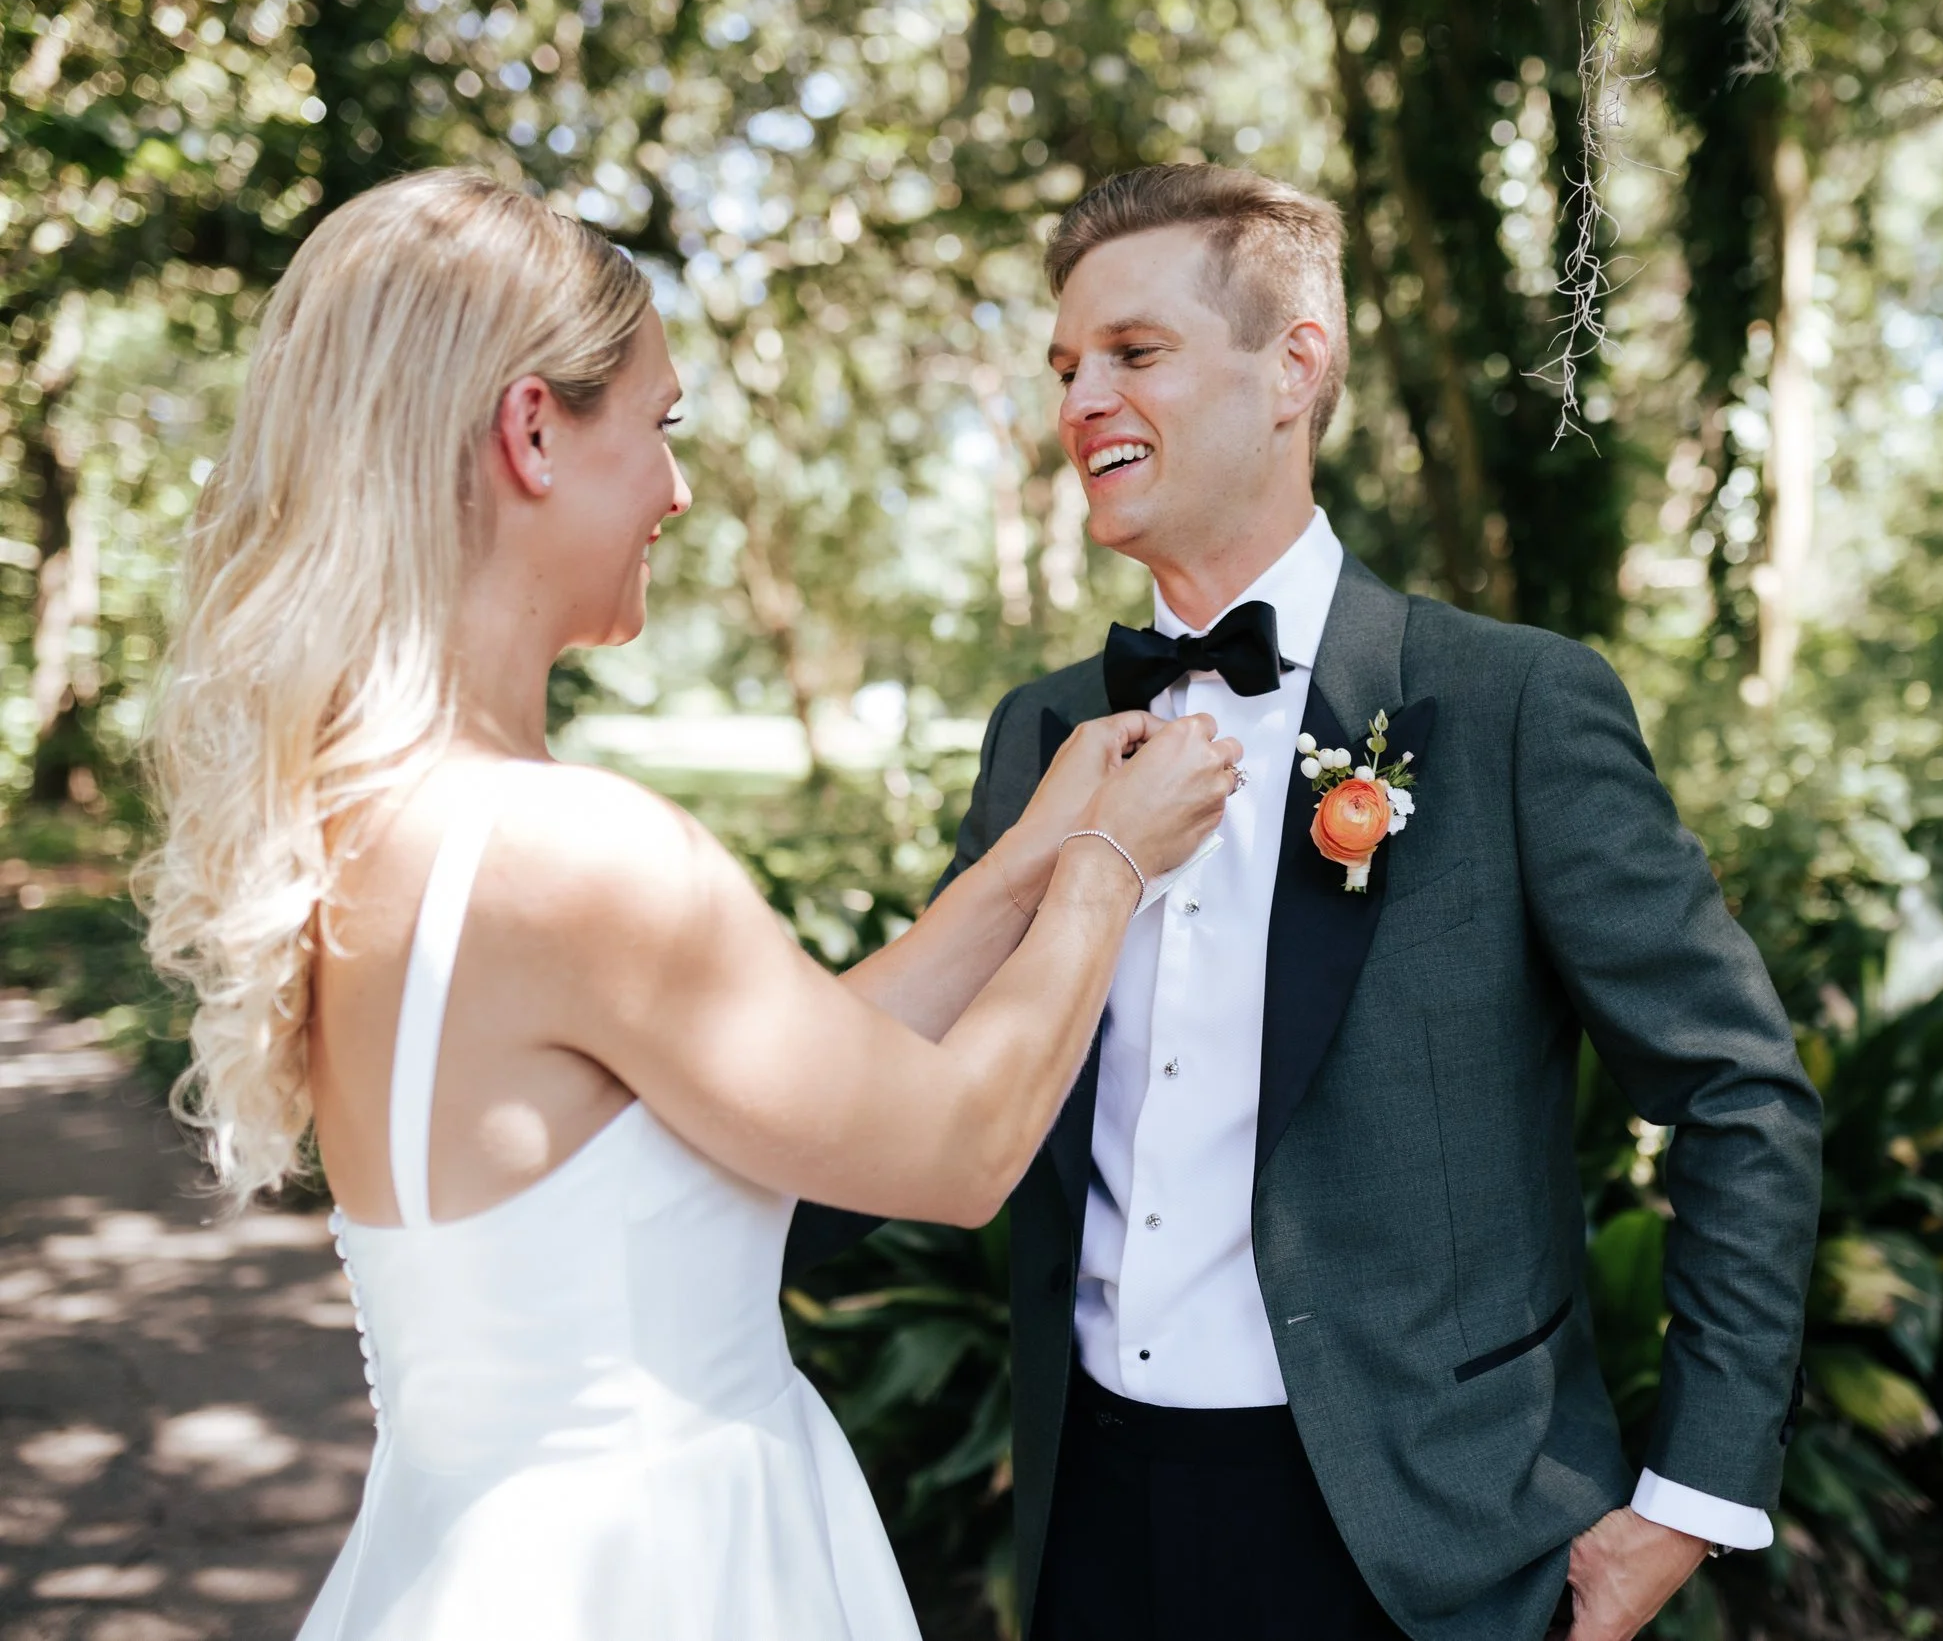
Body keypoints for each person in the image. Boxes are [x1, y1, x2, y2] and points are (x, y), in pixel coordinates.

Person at [138, 168, 1241, 1641]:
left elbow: (759, 1087)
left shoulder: (380, 828)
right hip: (663, 1566)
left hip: (468, 1559)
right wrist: (1112, 869)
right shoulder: (577, 851)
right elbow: (959, 1145)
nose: (678, 487)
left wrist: (1026, 859)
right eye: (658, 427)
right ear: (533, 430)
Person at [790, 164, 1824, 1641]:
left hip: (1425, 1545)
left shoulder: (1510, 705)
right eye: (1067, 366)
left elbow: (1737, 1092)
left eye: (1134, 354)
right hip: (1094, 1518)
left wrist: (1691, 1498)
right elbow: (912, 1079)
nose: (1082, 399)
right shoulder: (1042, 732)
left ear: (1297, 365)